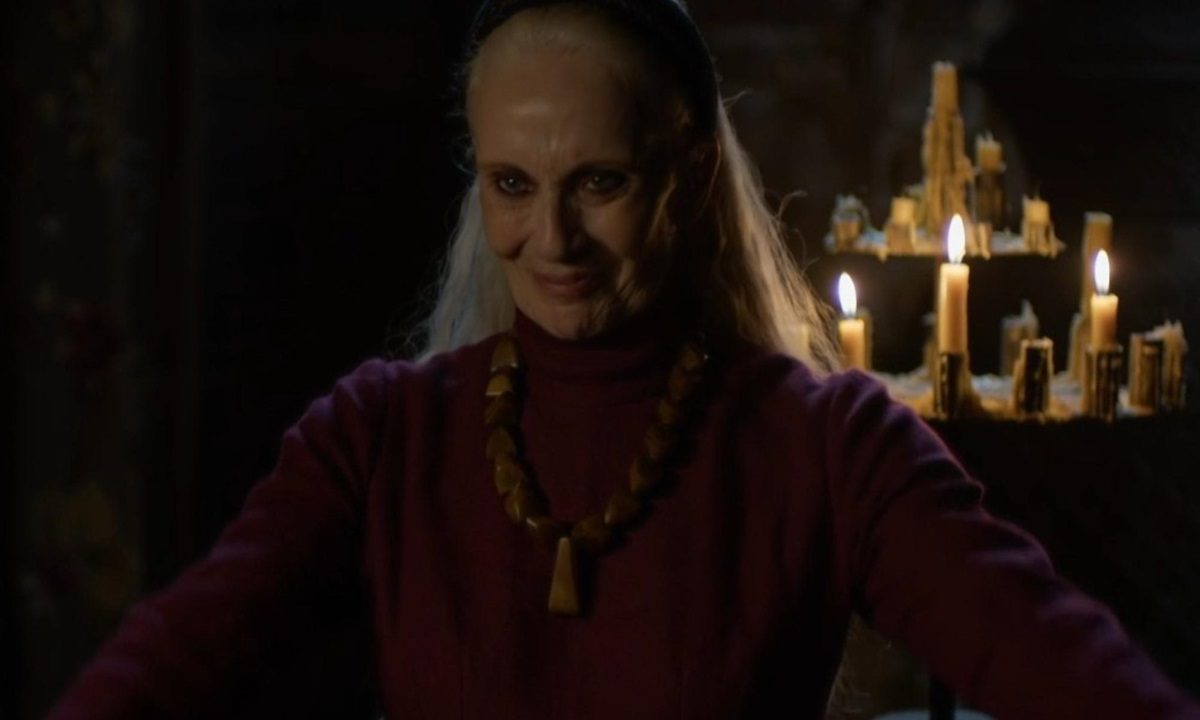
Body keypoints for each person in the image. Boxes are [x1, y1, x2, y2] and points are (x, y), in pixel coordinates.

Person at [51, 1, 1200, 718]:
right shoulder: (383, 434)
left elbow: (1059, 662)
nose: (550, 241)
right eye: (513, 184)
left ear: (691, 177)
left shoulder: (827, 446)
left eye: (599, 182)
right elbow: (175, 654)